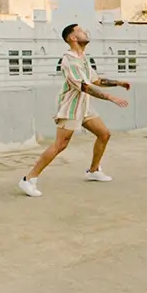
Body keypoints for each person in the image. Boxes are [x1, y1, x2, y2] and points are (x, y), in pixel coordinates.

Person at [18, 23, 130, 198]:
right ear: (73, 38)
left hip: (84, 106)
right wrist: (111, 98)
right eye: (79, 31)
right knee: (60, 145)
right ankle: (29, 179)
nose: (84, 31)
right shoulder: (69, 61)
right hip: (71, 107)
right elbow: (85, 87)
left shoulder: (82, 57)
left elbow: (96, 80)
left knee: (104, 134)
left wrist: (118, 83)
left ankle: (93, 170)